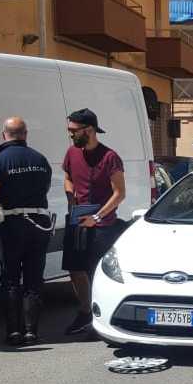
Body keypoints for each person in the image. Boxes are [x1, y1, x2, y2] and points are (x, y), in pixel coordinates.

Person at [0, 117, 54, 346]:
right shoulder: (41, 159)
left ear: (4, 135)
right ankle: (31, 331)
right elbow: (45, 187)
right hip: (39, 222)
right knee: (33, 277)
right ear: (25, 134)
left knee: (11, 279)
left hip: (11, 223)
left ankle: (13, 332)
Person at [61, 109, 126, 336]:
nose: (70, 135)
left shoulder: (110, 157)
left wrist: (97, 216)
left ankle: (100, 317)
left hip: (102, 224)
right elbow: (67, 177)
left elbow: (119, 193)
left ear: (88, 130)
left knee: (95, 271)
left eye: (73, 131)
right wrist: (70, 197)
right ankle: (84, 312)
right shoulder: (72, 153)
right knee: (75, 268)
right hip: (77, 219)